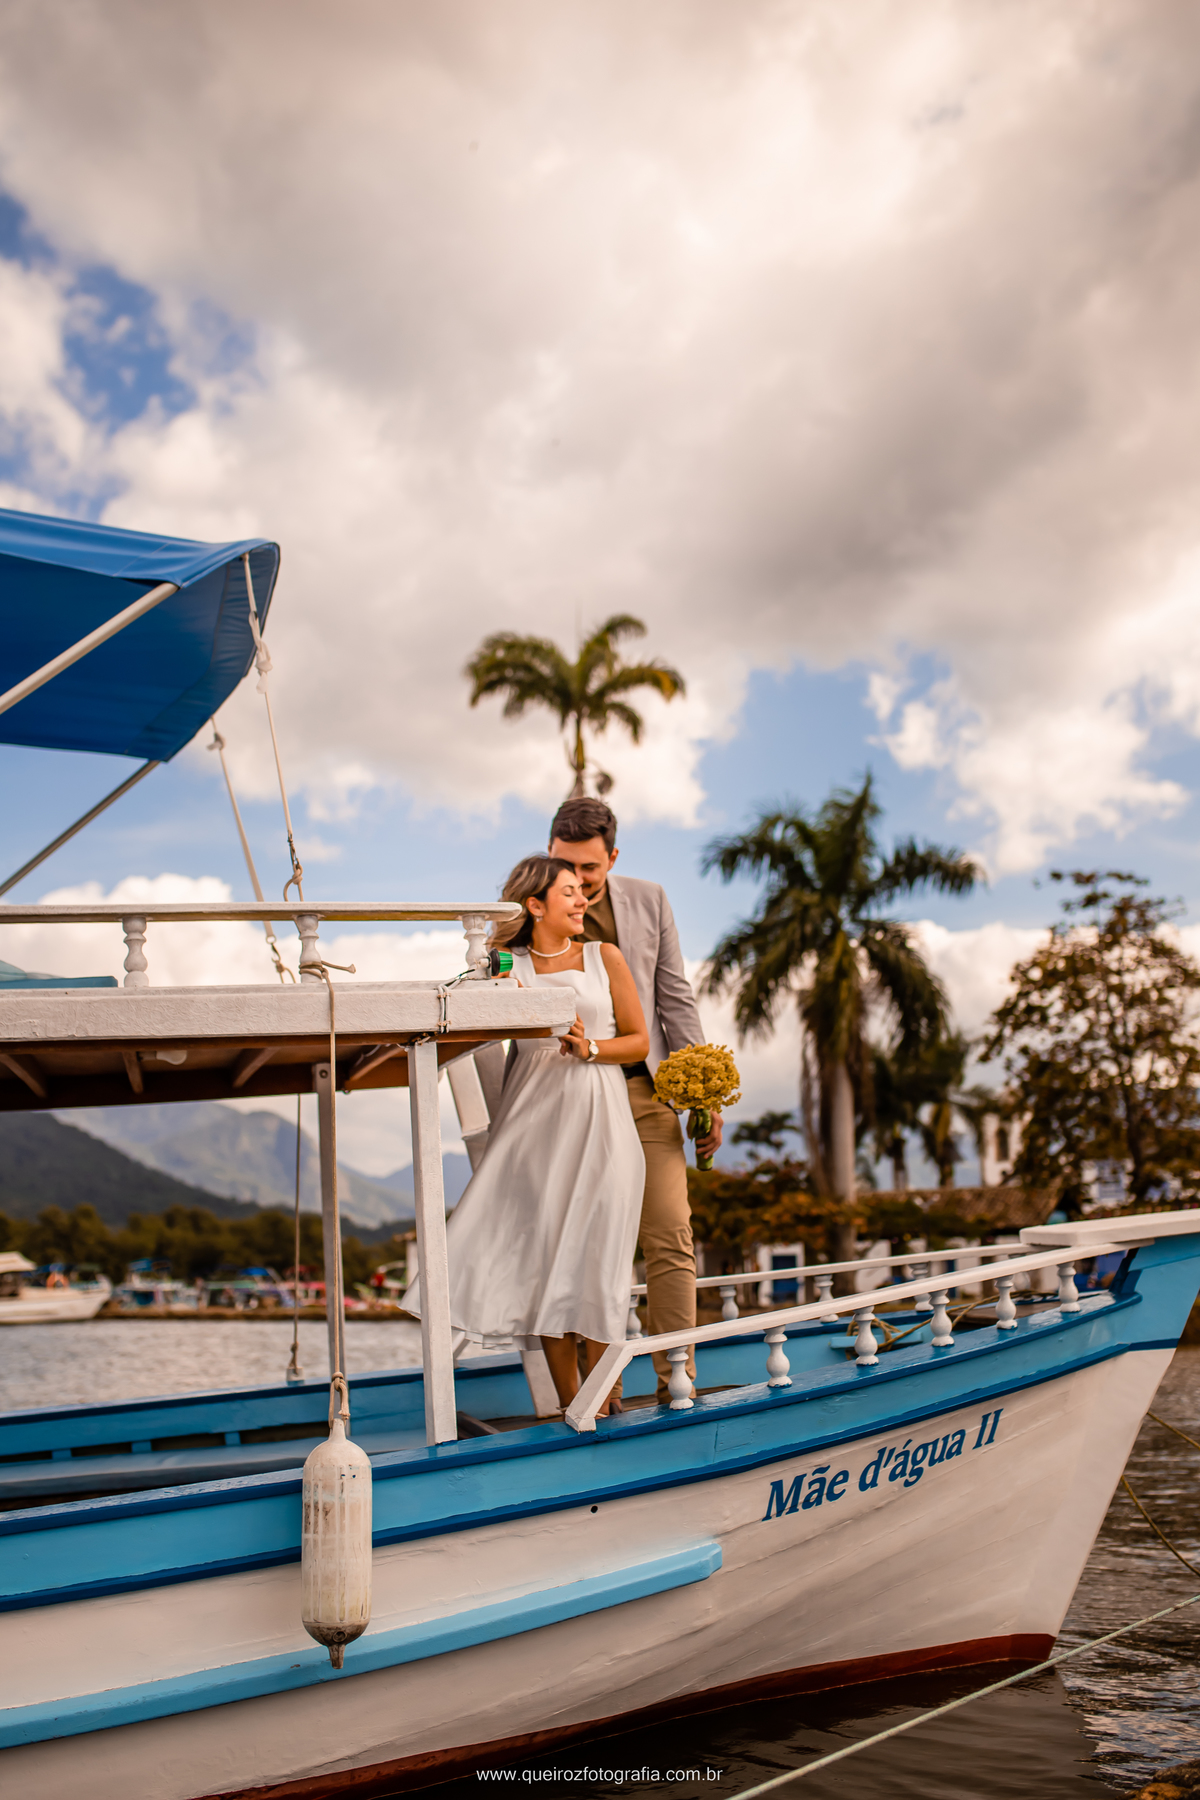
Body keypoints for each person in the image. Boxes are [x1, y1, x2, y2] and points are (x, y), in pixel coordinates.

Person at [409, 854, 649, 1415]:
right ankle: (575, 1410)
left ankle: (606, 1397)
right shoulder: (506, 965)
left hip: (600, 1115)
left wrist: (590, 1047)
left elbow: (637, 1041)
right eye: (569, 892)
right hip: (533, 1126)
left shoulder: (603, 957)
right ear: (535, 905)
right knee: (545, 1263)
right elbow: (472, 1018)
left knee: (603, 1256)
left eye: (583, 891)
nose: (583, 899)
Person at [548, 796, 723, 1400]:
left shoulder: (650, 901)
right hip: (567, 1101)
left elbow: (675, 1000)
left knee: (670, 1233)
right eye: (564, 865)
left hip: (643, 1093)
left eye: (588, 870)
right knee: (587, 1244)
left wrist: (704, 1096)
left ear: (612, 859)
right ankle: (599, 1396)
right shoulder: (524, 909)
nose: (576, 882)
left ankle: (679, 1381)